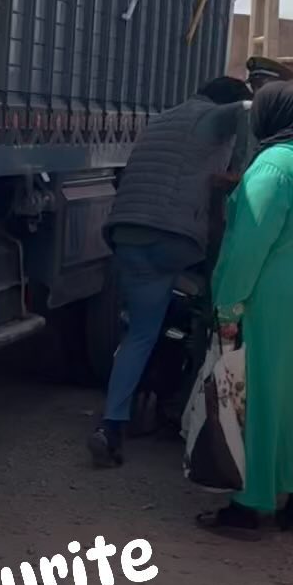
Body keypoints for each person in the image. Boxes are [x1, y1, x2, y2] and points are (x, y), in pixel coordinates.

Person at [198, 85, 293, 535]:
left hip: (277, 297)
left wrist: (226, 305)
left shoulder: (274, 165)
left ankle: (248, 506)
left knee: (262, 397)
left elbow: (248, 245)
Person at [88, 76, 251, 467]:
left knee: (140, 333)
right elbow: (247, 111)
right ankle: (187, 410)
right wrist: (239, 170)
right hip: (174, 238)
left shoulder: (162, 119)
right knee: (212, 309)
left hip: (126, 233)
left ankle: (111, 425)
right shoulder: (212, 117)